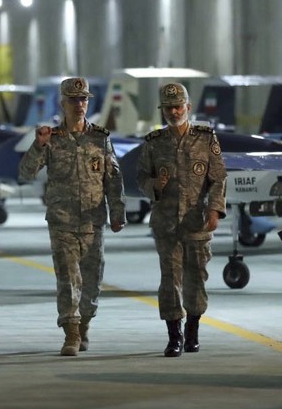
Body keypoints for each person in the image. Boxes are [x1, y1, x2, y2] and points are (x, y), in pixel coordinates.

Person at [19, 77, 126, 356]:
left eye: (84, 100)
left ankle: (85, 324)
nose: (80, 105)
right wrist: (38, 146)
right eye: (74, 100)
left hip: (93, 221)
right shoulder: (51, 139)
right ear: (62, 103)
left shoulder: (100, 138)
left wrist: (118, 212)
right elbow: (25, 173)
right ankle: (71, 333)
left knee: (91, 280)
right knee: (68, 279)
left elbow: (113, 179)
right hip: (62, 221)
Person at [136, 82, 227, 357]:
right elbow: (141, 178)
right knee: (170, 279)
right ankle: (173, 334)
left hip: (196, 221)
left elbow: (218, 177)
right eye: (168, 108)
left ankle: (193, 330)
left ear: (188, 107)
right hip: (166, 223)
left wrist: (214, 209)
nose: (174, 111)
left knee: (196, 277)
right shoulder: (154, 143)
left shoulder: (206, 138)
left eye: (178, 107)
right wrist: (155, 184)